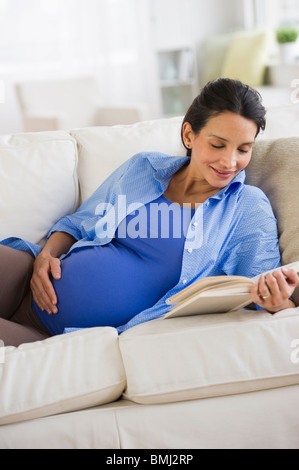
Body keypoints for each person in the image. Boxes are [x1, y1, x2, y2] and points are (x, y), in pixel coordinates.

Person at [1, 78, 298, 347]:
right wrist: (45, 257)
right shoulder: (145, 168)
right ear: (189, 135)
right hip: (27, 275)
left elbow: (260, 292)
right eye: (218, 145)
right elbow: (79, 224)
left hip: (60, 335)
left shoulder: (246, 207)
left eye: (243, 149)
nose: (229, 162)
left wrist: (279, 303)